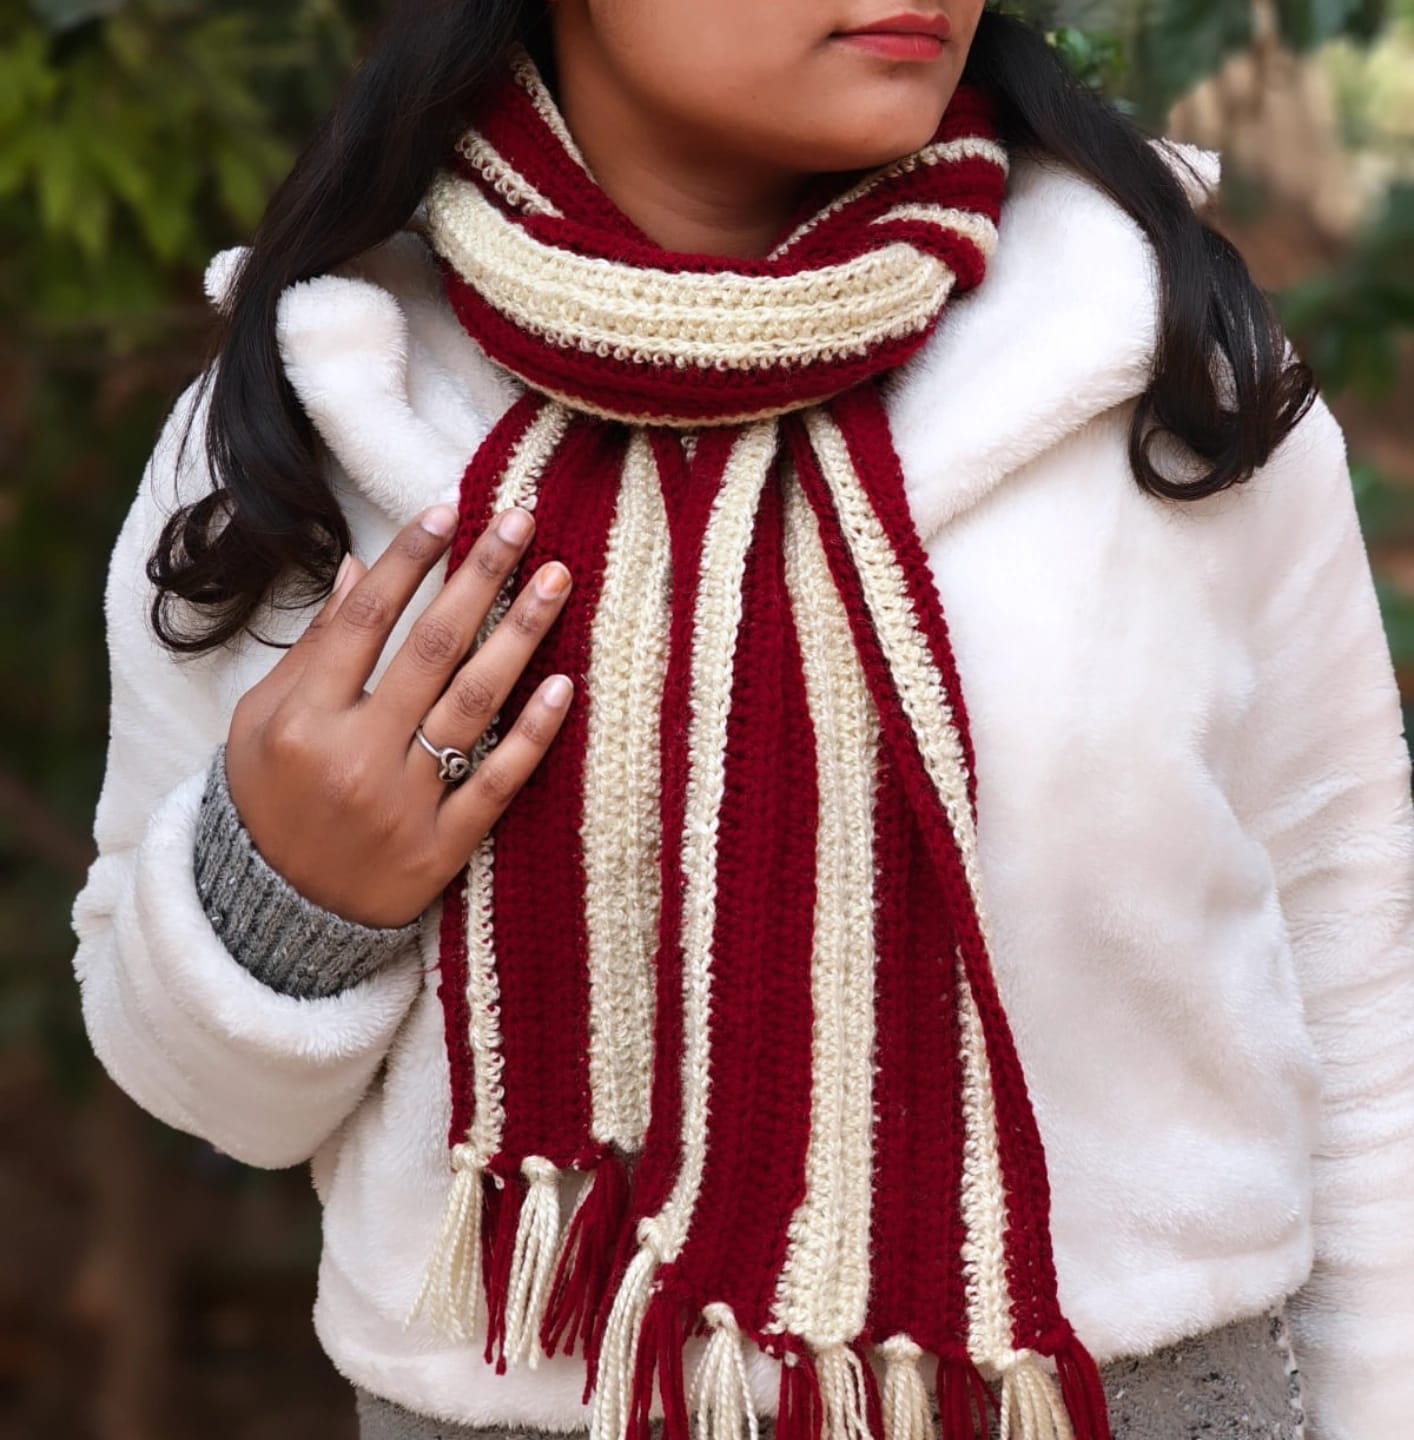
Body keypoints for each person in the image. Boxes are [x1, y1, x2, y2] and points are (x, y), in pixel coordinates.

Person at [69, 1, 1414, 1438]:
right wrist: (289, 901)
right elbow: (202, 1095)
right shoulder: (321, 408)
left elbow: (1348, 953)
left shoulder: (1156, 352)